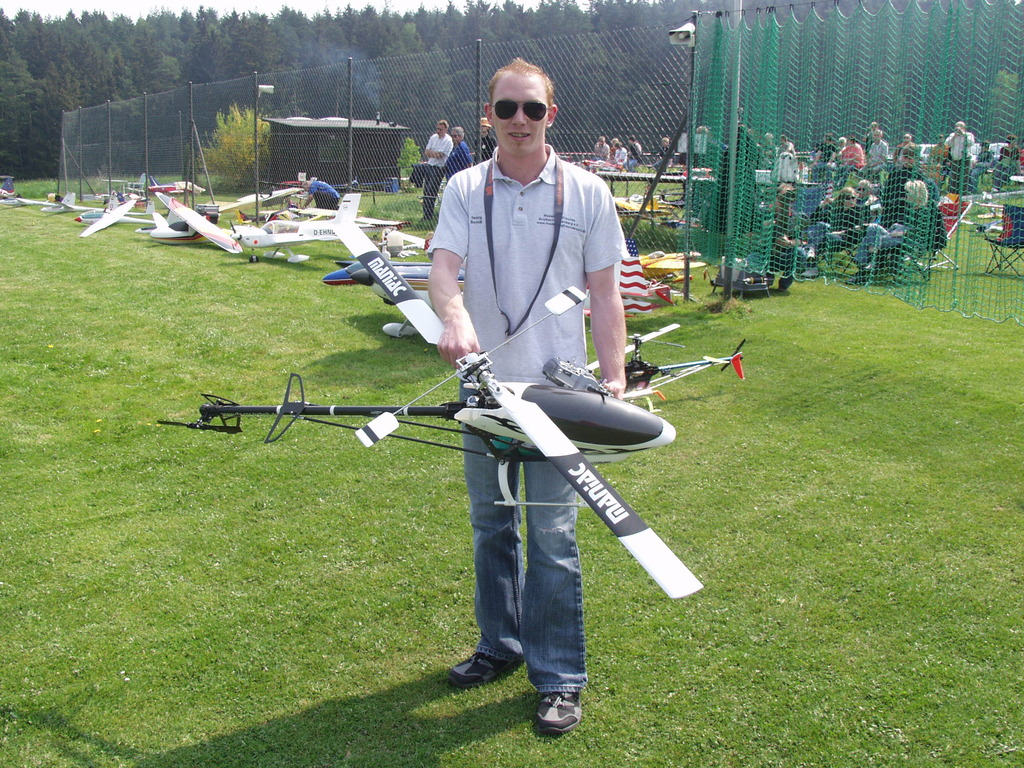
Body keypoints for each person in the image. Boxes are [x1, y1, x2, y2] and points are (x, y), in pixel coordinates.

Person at [428, 57, 627, 737]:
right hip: (481, 388)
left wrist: (614, 377)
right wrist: (454, 316)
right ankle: (500, 645)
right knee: (491, 525)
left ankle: (560, 675)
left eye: (532, 109)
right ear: (488, 116)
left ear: (551, 115)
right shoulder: (463, 187)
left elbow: (605, 295)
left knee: (552, 534)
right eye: (506, 108)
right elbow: (443, 270)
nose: (520, 120)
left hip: (555, 394)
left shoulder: (589, 193)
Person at [421, 119, 453, 220]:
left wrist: (433, 153)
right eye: (437, 129)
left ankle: (429, 215)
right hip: (430, 165)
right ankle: (425, 214)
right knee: (426, 191)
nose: (438, 131)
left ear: (446, 129)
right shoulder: (433, 137)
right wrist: (434, 153)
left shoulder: (448, 140)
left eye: (441, 129)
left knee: (431, 191)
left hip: (439, 168)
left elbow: (440, 155)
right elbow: (426, 152)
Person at [943, 121, 976, 194]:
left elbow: (971, 143)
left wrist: (963, 134)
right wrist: (954, 137)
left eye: (960, 126)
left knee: (964, 177)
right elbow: (947, 144)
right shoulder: (952, 135)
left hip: (965, 159)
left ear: (964, 128)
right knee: (954, 177)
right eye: (957, 126)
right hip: (955, 159)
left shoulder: (968, 135)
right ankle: (953, 193)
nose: (958, 128)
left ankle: (963, 193)